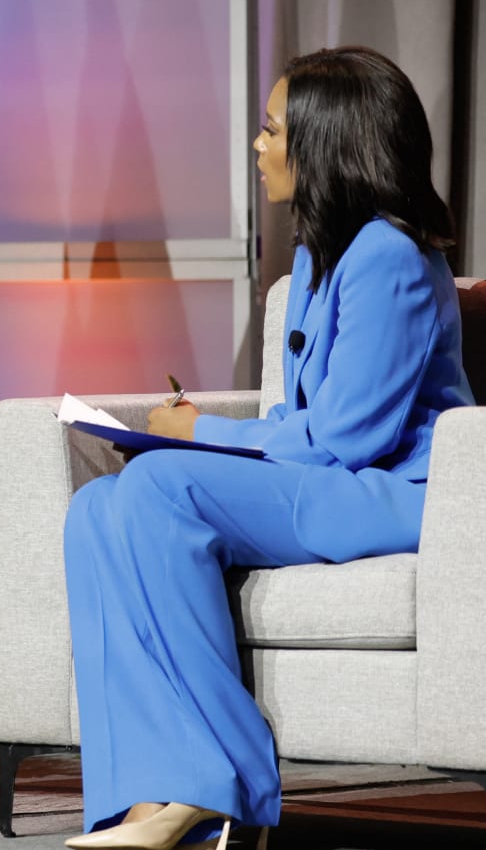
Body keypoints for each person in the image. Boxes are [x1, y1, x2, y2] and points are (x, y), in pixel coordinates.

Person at [61, 46, 473, 850]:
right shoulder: (321, 255)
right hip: (333, 481)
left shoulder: (390, 255)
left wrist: (194, 433)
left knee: (157, 487)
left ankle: (217, 787)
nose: (258, 146)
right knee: (95, 507)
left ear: (325, 143)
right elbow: (305, 424)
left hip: (391, 491)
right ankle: (143, 795)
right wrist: (174, 437)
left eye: (271, 128)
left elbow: (348, 438)